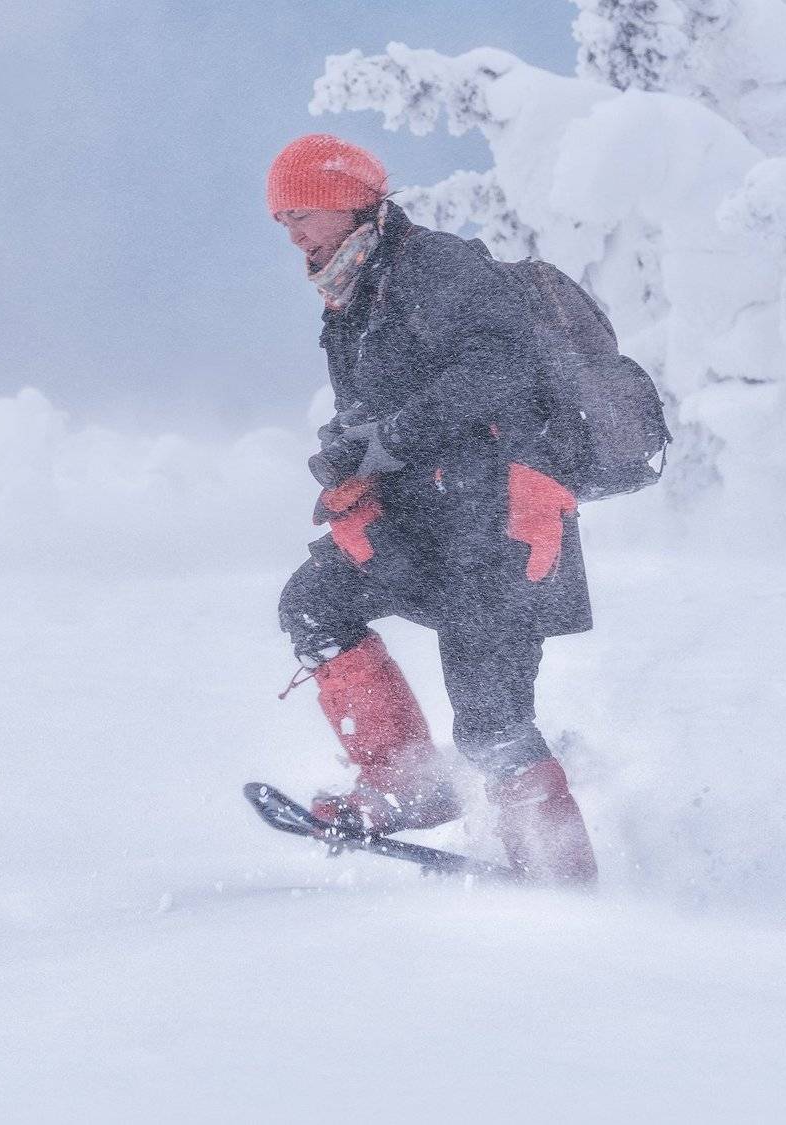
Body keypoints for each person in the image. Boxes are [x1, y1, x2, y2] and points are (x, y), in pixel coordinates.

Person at [269, 133, 598, 885]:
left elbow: (502, 366)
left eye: (303, 212)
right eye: (282, 219)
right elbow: (372, 404)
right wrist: (344, 457)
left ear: (352, 200)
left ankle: (568, 886)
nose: (291, 232)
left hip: (503, 525)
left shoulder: (435, 267)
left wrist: (393, 436)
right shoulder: (351, 293)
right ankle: (407, 784)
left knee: (492, 725)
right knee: (314, 603)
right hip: (422, 523)